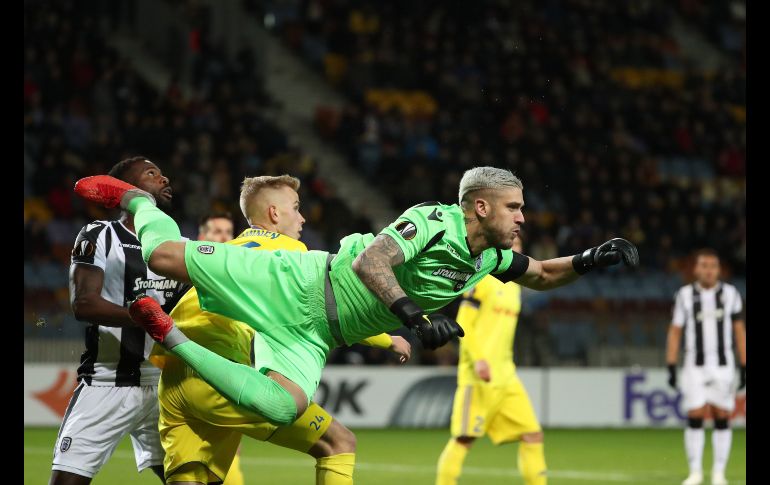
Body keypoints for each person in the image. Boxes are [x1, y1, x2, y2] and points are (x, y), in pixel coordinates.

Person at [73, 166, 638, 433]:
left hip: (317, 335)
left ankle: (167, 333)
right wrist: (415, 317)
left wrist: (592, 259)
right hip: (299, 283)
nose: (523, 218)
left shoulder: (488, 257)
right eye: (514, 208)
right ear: (482, 207)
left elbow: (542, 273)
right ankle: (140, 202)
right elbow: (372, 262)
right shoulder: (433, 220)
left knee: (281, 407)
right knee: (163, 256)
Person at [152, 175, 411, 485]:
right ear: (274, 213)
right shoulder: (289, 255)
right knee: (337, 443)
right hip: (221, 374)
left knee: (192, 478)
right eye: (296, 207)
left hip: (172, 376)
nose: (302, 218)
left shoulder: (227, 250)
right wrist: (387, 340)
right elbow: (327, 310)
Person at [50, 157, 184, 485]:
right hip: (108, 384)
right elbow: (84, 303)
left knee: (191, 479)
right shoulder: (100, 234)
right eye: (152, 173)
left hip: (165, 387)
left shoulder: (178, 246)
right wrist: (145, 319)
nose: (164, 179)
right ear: (125, 189)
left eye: (162, 173)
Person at [436, 236, 547, 485]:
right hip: (479, 375)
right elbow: (464, 322)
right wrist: (479, 360)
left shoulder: (515, 288)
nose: (516, 249)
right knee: (464, 438)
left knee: (532, 435)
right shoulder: (482, 279)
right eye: (512, 245)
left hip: (506, 375)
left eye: (519, 246)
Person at [666, 249, 746, 485]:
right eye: (704, 265)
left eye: (713, 266)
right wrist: (671, 364)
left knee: (722, 415)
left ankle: (719, 473)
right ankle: (695, 472)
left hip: (723, 365)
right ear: (696, 269)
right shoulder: (684, 295)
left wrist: (744, 364)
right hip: (694, 365)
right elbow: (675, 331)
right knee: (695, 414)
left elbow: (739, 331)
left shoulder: (730, 294)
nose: (709, 270)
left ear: (719, 270)